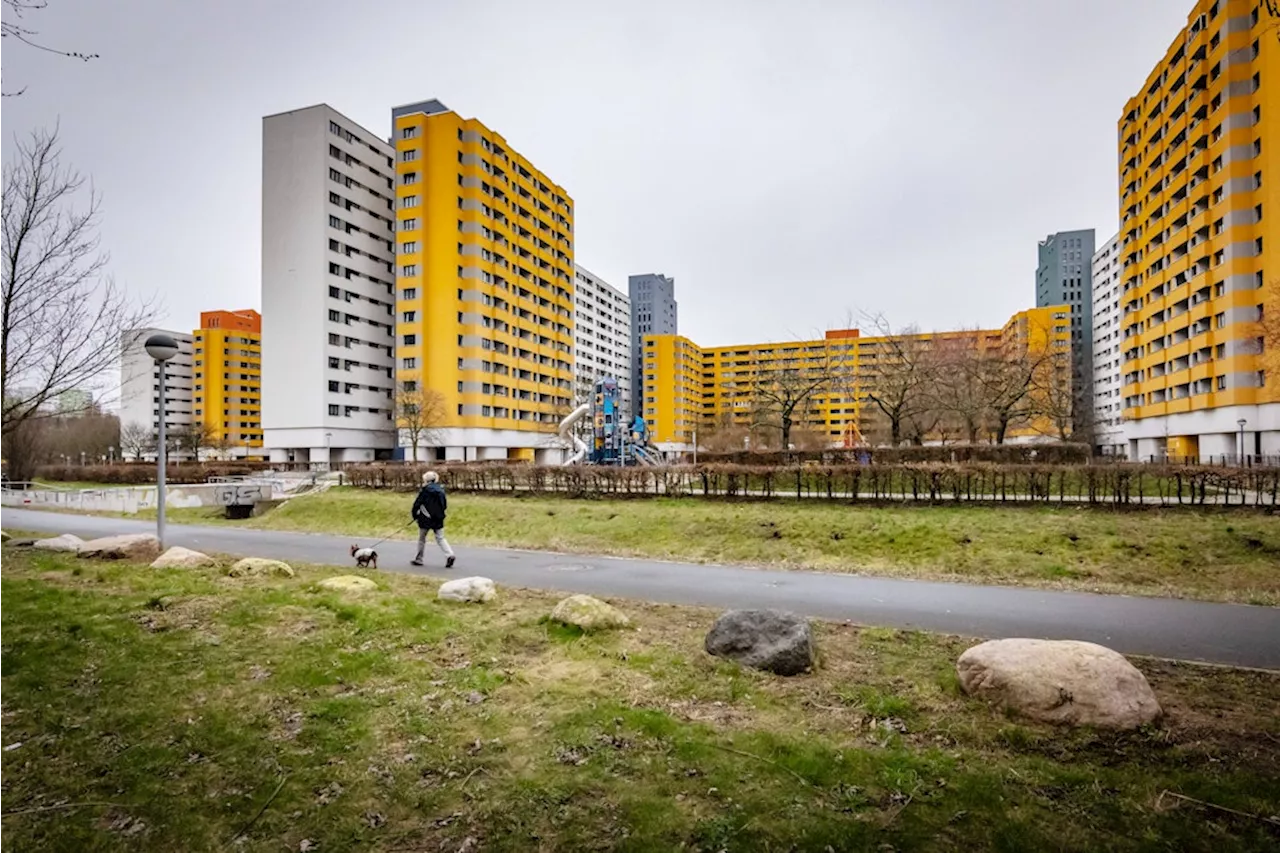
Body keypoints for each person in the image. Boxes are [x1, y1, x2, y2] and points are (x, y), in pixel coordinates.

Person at [411, 470, 455, 568]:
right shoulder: (441, 490)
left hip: (425, 518)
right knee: (440, 538)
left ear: (426, 480)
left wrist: (415, 516)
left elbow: (417, 504)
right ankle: (450, 555)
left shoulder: (424, 490)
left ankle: (419, 559)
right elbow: (444, 505)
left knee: (422, 539)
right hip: (438, 518)